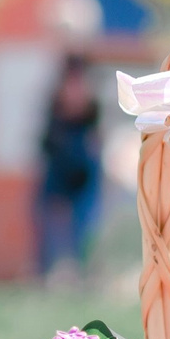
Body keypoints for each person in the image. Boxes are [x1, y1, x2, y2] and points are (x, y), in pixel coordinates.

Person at [34, 55, 99, 281]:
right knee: (49, 228)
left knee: (84, 231)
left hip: (83, 178)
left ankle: (82, 275)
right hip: (58, 174)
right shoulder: (55, 121)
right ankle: (47, 274)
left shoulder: (91, 122)